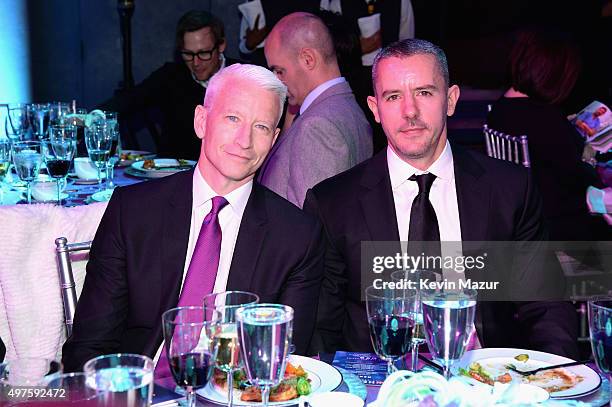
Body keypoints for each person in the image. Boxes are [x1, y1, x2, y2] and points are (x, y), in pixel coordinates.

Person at [304, 39, 579, 358]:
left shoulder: (509, 189)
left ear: (450, 100)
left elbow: (546, 304)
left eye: (424, 92)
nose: (410, 112)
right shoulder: (333, 204)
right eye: (393, 97)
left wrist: (555, 377)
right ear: (375, 109)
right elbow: (320, 331)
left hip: (484, 382)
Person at [63, 64, 325, 372]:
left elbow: (283, 360)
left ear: (275, 139)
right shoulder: (133, 212)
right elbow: (90, 347)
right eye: (232, 118)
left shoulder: (297, 237)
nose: (244, 141)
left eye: (261, 127)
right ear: (201, 121)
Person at [487, 27, 606, 241]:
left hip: (526, 214)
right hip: (560, 222)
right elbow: (577, 177)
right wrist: (591, 158)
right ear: (551, 73)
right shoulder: (544, 118)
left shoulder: (500, 109)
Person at [258, 12, 373, 208]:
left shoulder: (317, 126)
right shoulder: (348, 108)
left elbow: (307, 225)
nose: (276, 80)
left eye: (279, 71)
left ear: (308, 59)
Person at [99, 10, 238, 160]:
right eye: (188, 54)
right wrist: (89, 118)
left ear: (221, 45)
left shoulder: (244, 77)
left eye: (204, 53)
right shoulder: (171, 76)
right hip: (175, 176)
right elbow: (128, 100)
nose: (196, 63)